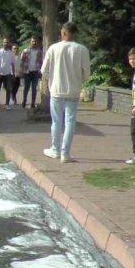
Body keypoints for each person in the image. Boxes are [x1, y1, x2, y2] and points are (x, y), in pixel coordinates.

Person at [41, 22, 91, 163]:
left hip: (56, 90)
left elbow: (44, 70)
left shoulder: (53, 48)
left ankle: (55, 149)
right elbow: (86, 74)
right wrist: (77, 80)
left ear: (63, 33)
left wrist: (50, 79)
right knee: (70, 122)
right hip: (73, 91)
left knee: (56, 121)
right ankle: (65, 153)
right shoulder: (82, 49)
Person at [0, 38, 17, 109]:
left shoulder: (11, 53)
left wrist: (13, 74)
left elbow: (12, 64)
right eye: (4, 42)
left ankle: (7, 104)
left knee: (8, 89)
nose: (6, 44)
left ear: (9, 43)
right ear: (2, 43)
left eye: (7, 42)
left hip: (8, 74)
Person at [20, 36, 43, 109]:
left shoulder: (39, 51)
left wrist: (41, 71)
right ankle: (24, 101)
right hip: (27, 72)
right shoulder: (25, 50)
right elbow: (22, 61)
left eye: (35, 42)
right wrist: (21, 70)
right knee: (26, 88)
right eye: (32, 41)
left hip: (35, 72)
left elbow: (41, 62)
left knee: (34, 88)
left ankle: (33, 103)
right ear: (30, 42)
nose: (34, 43)